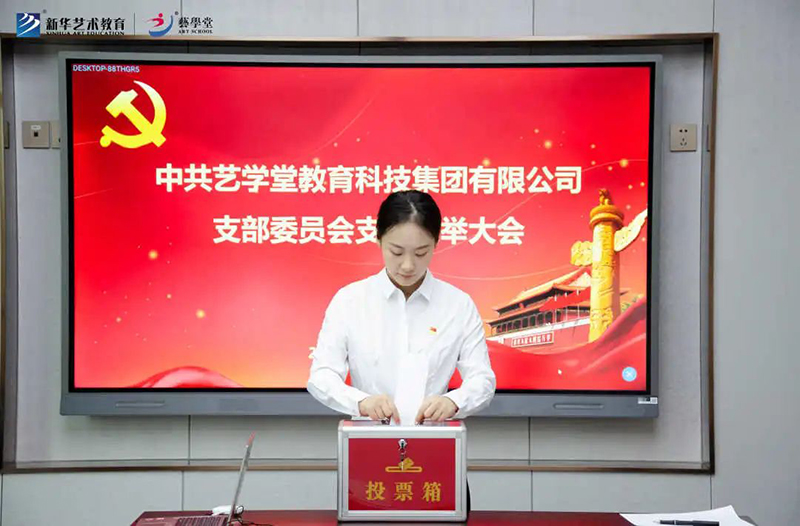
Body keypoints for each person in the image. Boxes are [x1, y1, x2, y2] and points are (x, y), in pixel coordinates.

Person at [307, 190, 496, 425]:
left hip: (433, 438)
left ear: (436, 243)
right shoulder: (350, 301)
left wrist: (453, 401)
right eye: (396, 252)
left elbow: (482, 379)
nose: (408, 265)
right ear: (379, 239)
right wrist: (361, 402)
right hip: (367, 436)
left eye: (421, 253)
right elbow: (322, 376)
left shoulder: (458, 305)